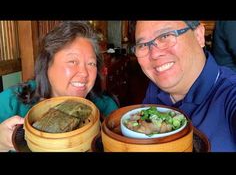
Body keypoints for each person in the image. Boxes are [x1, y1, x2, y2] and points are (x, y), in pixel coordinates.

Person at [0, 21, 118, 152]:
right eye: (72, 61)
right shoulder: (10, 102)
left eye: (91, 64)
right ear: (47, 63)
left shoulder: (107, 108)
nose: (85, 73)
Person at [132, 21, 236, 152]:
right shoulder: (155, 89)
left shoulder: (230, 95)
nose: (154, 54)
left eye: (165, 36)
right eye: (142, 45)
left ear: (198, 35)